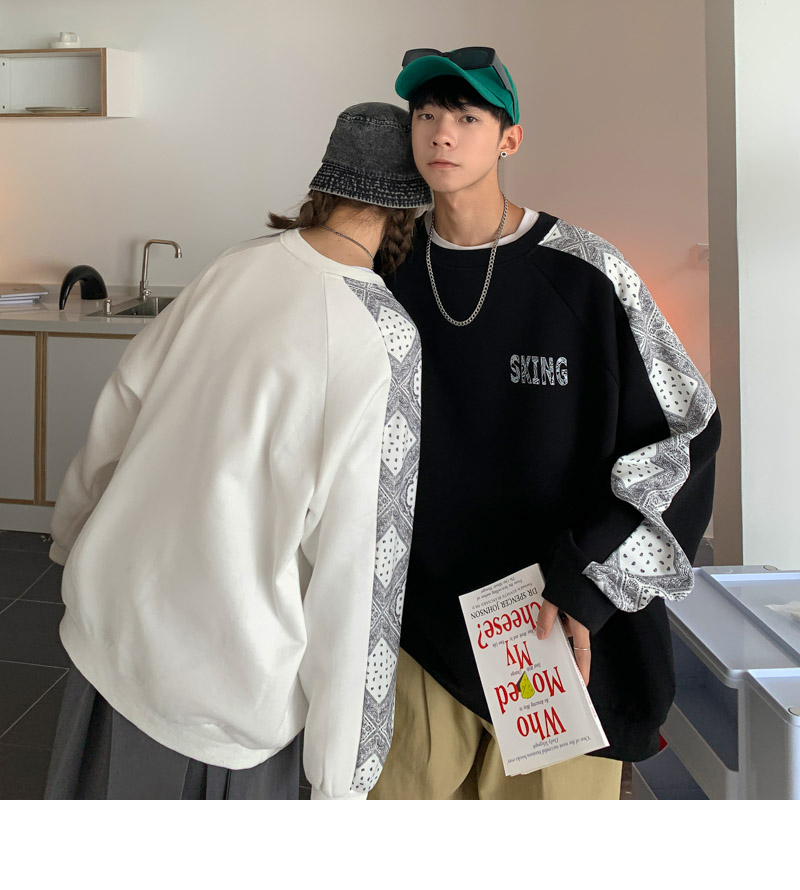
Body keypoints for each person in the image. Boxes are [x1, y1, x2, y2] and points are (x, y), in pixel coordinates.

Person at [44, 102, 430, 800]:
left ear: (326, 182)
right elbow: (363, 566)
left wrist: (74, 539)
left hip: (113, 631)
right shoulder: (383, 336)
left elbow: (120, 408)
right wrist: (344, 774)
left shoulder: (236, 263)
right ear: (408, 207)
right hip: (223, 693)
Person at [368, 48, 722, 800]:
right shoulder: (382, 271)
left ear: (510, 138)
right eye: (425, 116)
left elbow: (687, 435)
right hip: (417, 629)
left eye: (467, 117)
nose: (441, 134)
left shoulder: (586, 272)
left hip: (552, 627)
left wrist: (589, 581)